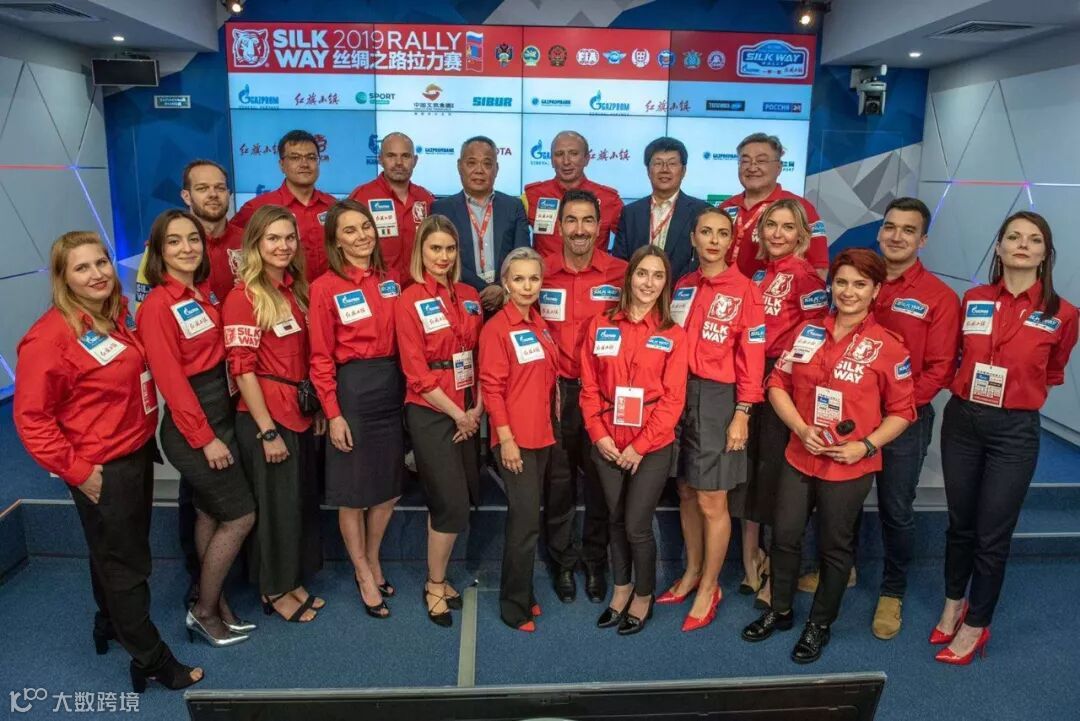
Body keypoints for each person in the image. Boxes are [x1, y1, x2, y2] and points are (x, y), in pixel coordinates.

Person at [14, 231, 203, 691]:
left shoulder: (114, 315)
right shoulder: (50, 338)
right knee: (127, 563)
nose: (97, 274)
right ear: (62, 277)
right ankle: (151, 658)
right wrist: (80, 473)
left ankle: (110, 623)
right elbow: (32, 420)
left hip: (133, 452)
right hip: (101, 468)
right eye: (82, 268)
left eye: (101, 263)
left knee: (112, 552)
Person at [742, 248, 915, 664]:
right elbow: (776, 383)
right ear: (831, 285)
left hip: (849, 464)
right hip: (800, 454)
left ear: (876, 290)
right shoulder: (808, 332)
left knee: (834, 548)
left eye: (860, 284)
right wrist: (801, 429)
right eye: (841, 282)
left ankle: (819, 623)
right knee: (784, 536)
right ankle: (781, 609)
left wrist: (865, 445)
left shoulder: (889, 346)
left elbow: (904, 411)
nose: (849, 292)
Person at [932, 211, 1077, 665]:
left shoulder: (1063, 314)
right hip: (963, 421)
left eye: (1034, 239)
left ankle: (977, 624)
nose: (1022, 244)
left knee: (992, 532)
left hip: (1014, 431)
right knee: (960, 522)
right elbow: (956, 354)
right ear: (998, 247)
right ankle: (954, 602)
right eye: (1013, 236)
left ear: (1045, 254)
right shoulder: (973, 299)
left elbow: (1053, 370)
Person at [136, 209, 256, 646]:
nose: (187, 248)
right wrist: (205, 439)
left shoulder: (202, 294)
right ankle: (204, 611)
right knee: (240, 516)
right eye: (174, 241)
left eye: (193, 239)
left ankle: (217, 604)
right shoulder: (157, 305)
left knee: (209, 512)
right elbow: (171, 381)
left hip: (219, 413)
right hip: (195, 428)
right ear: (158, 250)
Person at [661, 206, 765, 632]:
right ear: (693, 238)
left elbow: (753, 357)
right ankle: (691, 571)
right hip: (677, 393)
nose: (714, 240)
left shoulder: (746, 291)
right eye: (706, 232)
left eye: (723, 233)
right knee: (686, 490)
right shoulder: (683, 285)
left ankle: (710, 586)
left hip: (720, 399)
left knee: (711, 498)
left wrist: (743, 412)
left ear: (732, 241)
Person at [223, 204, 325, 624]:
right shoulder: (243, 297)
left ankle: (290, 578)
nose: (283, 246)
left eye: (289, 238)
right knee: (273, 510)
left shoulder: (294, 290)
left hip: (296, 410)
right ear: (255, 244)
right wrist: (267, 432)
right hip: (266, 417)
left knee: (294, 504)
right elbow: (242, 370)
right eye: (273, 238)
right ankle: (273, 588)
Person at [864, 197, 960, 639]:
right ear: (880, 231)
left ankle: (892, 590)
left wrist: (896, 413)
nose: (896, 236)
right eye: (890, 226)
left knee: (896, 507)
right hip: (850, 415)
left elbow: (939, 369)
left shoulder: (939, 297)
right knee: (840, 501)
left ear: (922, 240)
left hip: (905, 420)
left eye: (908, 230)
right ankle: (838, 568)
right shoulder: (859, 280)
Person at [580, 245, 688, 635]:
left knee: (637, 525)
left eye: (658, 276)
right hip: (607, 440)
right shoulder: (601, 324)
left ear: (665, 283)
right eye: (642, 273)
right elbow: (589, 387)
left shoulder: (672, 334)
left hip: (652, 445)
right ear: (630, 278)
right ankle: (621, 588)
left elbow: (673, 400)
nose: (649, 283)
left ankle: (643, 595)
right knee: (614, 518)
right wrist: (599, 435)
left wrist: (639, 446)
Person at [308, 200, 404, 619]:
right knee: (354, 493)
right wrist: (333, 413)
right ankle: (362, 572)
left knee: (389, 488)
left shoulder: (391, 280)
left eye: (366, 226)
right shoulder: (324, 287)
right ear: (336, 242)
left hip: (391, 386)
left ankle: (372, 557)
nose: (362, 235)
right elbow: (320, 357)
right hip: (353, 392)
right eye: (350, 230)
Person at [734, 199, 828, 611]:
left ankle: (776, 567)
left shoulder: (806, 278)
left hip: (782, 383)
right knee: (750, 471)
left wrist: (781, 378)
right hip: (751, 374)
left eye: (788, 227)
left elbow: (815, 336)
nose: (777, 233)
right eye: (771, 225)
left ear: (802, 236)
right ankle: (749, 559)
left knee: (776, 474)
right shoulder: (757, 273)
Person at [539, 188, 628, 604]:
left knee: (598, 482)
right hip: (553, 395)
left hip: (603, 397)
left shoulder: (621, 274)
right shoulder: (540, 272)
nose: (579, 229)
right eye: (571, 220)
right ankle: (562, 560)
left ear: (600, 226)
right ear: (559, 227)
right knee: (558, 484)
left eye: (587, 220)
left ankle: (595, 560)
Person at [395, 214, 484, 627]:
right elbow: (416, 373)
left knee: (457, 499)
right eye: (435, 248)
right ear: (421, 251)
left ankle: (441, 576)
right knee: (449, 502)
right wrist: (459, 414)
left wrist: (477, 408)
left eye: (450, 248)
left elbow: (482, 354)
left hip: (468, 405)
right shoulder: (409, 299)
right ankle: (434, 584)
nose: (443, 256)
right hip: (432, 411)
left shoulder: (469, 295)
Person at [479, 247, 559, 632]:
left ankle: (524, 592)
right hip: (516, 439)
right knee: (524, 523)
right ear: (506, 283)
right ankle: (513, 606)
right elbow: (492, 389)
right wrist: (506, 439)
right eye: (519, 279)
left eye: (534, 278)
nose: (527, 286)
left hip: (541, 434)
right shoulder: (497, 329)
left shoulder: (538, 323)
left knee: (529, 519)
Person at [431, 135, 531, 313]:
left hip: (507, 301)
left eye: (487, 164)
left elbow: (522, 253)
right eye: (471, 163)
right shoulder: (441, 209)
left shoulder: (514, 206)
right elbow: (443, 258)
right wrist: (482, 291)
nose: (479, 170)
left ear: (496, 169)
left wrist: (501, 287)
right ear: (459, 166)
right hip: (459, 302)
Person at [718, 133, 829, 280]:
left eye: (761, 161)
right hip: (724, 292)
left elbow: (819, 268)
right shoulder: (725, 208)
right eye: (745, 161)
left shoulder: (801, 208)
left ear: (779, 167)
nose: (752, 168)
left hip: (774, 294)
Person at [136, 160, 245, 307]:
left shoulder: (249, 242)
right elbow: (146, 308)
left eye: (220, 188)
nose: (213, 194)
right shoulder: (161, 248)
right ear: (186, 196)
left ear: (228, 194)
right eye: (202, 188)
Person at [231, 130, 337, 280]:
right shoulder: (257, 208)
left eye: (311, 157)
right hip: (280, 292)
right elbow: (232, 245)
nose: (304, 164)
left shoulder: (333, 206)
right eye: (295, 158)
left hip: (330, 291)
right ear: (281, 165)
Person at [612, 136, 709, 279]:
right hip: (638, 290)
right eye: (658, 163)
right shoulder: (631, 213)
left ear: (683, 170)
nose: (665, 169)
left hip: (683, 290)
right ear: (648, 170)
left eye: (672, 163)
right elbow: (620, 262)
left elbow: (704, 261)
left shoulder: (701, 212)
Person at [523, 130, 624, 257]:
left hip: (593, 270)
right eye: (559, 154)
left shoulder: (609, 199)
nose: (566, 161)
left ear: (586, 159)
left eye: (574, 154)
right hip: (545, 270)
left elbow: (630, 243)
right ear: (552, 160)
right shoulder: (531, 195)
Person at [349, 132, 435, 279]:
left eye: (405, 156)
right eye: (391, 156)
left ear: (415, 161)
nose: (399, 162)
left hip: (419, 287)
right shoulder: (361, 197)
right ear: (380, 159)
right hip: (376, 286)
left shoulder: (426, 199)